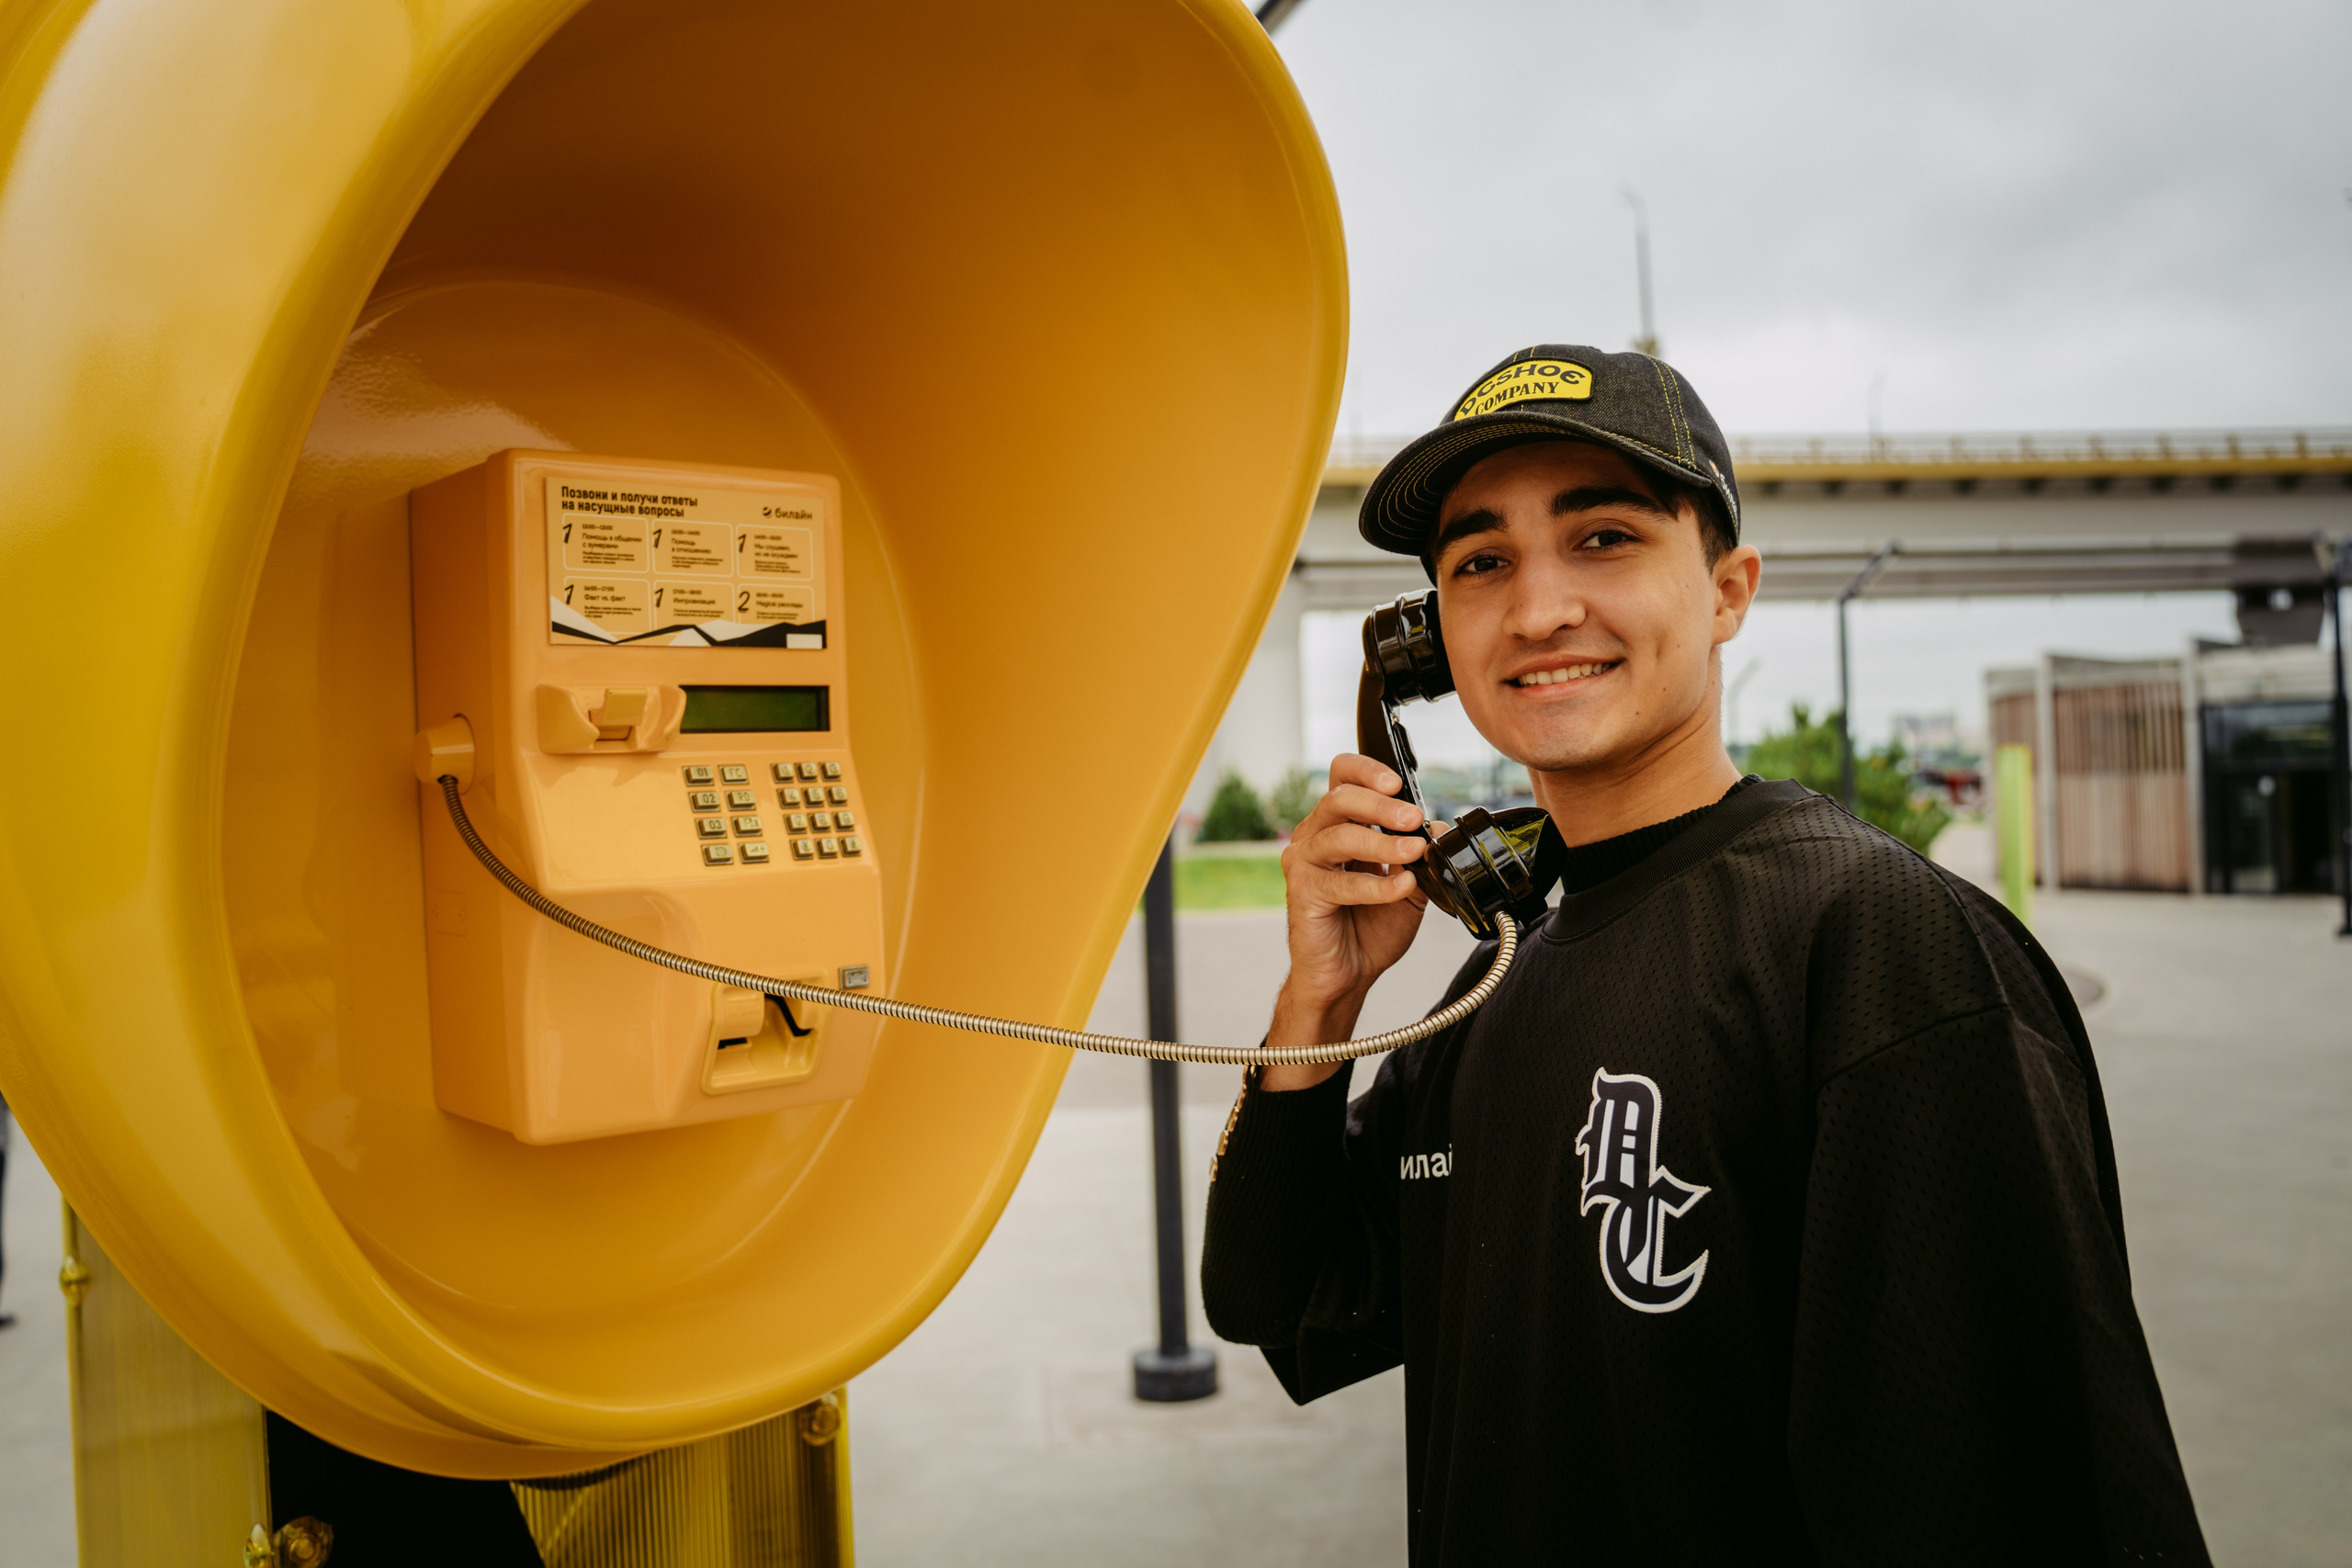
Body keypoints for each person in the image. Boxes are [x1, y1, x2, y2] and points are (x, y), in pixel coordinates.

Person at [1200, 345, 2209, 1563]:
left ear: (1730, 592)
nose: (1537, 610)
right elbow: (1284, 1300)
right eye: (1481, 564)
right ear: (1429, 641)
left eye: (1605, 539)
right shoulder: (1498, 980)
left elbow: (2019, 1496)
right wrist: (1325, 998)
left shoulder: (1878, 948)